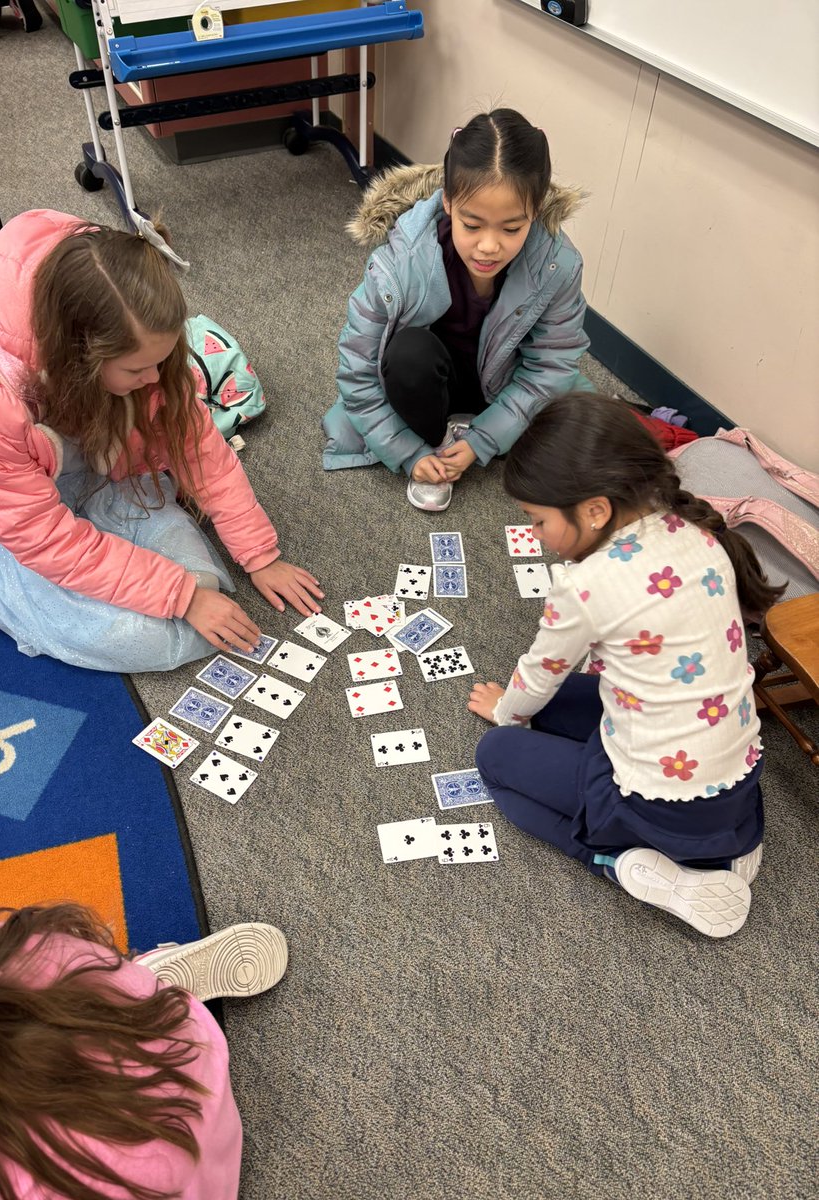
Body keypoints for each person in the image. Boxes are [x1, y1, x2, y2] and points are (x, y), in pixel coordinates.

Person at [0, 210, 323, 672]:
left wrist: (259, 556)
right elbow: (42, 538)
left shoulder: (129, 335)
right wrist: (181, 595)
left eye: (162, 360)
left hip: (78, 448)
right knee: (141, 635)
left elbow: (199, 446)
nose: (154, 377)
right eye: (136, 370)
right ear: (78, 359)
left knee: (197, 575)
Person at [468, 394, 783, 938]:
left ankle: (626, 864)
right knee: (563, 704)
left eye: (537, 521)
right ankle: (726, 848)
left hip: (662, 802)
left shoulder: (584, 585)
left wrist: (506, 711)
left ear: (595, 510)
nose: (537, 536)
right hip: (734, 780)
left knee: (496, 755)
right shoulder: (697, 532)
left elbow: (538, 672)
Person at [0, 902, 289, 1199]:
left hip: (205, 1188)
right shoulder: (6, 944)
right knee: (74, 983)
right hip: (193, 1066)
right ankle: (132, 995)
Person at [323, 108, 592, 512]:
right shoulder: (401, 261)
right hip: (428, 383)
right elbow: (357, 368)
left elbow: (551, 367)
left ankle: (473, 425)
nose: (488, 246)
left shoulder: (557, 265)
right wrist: (410, 451)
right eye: (472, 225)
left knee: (584, 437)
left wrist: (484, 439)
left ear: (535, 211)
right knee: (409, 353)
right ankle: (439, 433)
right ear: (447, 202)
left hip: (500, 387)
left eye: (511, 228)